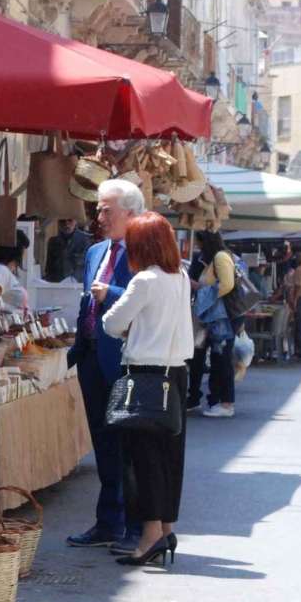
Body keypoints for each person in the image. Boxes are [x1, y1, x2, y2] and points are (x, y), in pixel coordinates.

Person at [101, 212, 193, 568]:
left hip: (145, 376)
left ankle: (150, 535)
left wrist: (132, 327)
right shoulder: (180, 276)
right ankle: (165, 528)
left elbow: (111, 323)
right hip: (176, 374)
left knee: (142, 459)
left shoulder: (145, 280)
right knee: (169, 456)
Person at [66, 179, 143, 555]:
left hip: (126, 359)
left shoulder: (146, 252)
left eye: (105, 209)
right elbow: (87, 301)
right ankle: (108, 520)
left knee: (129, 445)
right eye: (97, 208)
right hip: (93, 356)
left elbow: (146, 302)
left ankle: (134, 525)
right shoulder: (96, 251)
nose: (97, 215)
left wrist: (108, 294)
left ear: (129, 212)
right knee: (102, 443)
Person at [186, 230, 239, 418]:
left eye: (200, 244)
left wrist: (204, 293)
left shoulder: (220, 257)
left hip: (221, 317)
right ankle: (218, 402)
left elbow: (226, 285)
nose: (198, 248)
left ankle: (226, 403)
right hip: (216, 317)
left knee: (222, 359)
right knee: (217, 359)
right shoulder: (217, 258)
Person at [44, 217, 92, 283]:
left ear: (75, 221)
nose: (66, 224)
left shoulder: (86, 240)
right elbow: (49, 269)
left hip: (78, 286)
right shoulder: (53, 242)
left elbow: (90, 267)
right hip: (57, 286)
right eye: (62, 221)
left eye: (70, 220)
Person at [0, 245, 29, 316]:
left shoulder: (6, 271)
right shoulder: (0, 270)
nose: (26, 251)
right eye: (25, 247)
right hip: (5, 324)